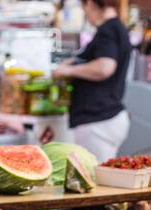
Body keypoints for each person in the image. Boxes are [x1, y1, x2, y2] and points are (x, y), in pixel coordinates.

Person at [52, 0, 131, 163]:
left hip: (98, 119)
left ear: (91, 4)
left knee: (95, 179)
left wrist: (68, 70)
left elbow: (105, 67)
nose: (85, 13)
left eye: (84, 7)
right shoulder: (116, 28)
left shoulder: (107, 30)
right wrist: (75, 62)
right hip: (106, 117)